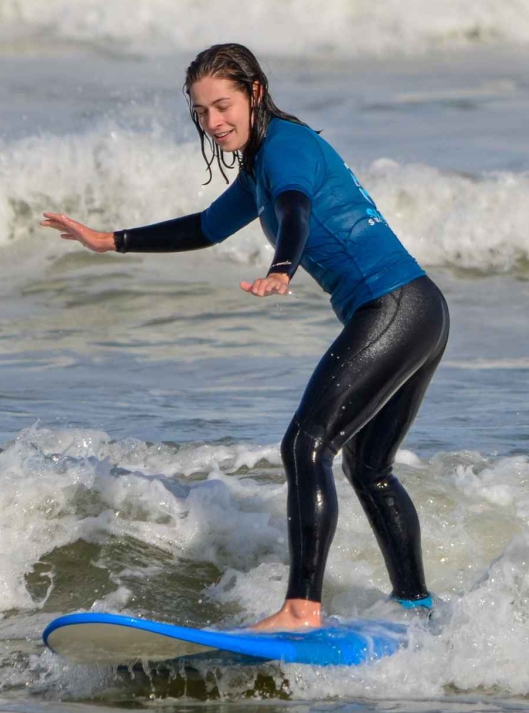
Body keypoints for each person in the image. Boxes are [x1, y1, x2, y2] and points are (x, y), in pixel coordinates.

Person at [40, 43, 449, 631]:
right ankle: (418, 610)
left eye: (223, 105)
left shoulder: (285, 150)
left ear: (255, 92)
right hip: (420, 311)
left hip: (394, 307)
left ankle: (301, 610)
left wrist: (283, 266)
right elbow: (206, 227)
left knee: (306, 446)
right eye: (201, 112)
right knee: (368, 467)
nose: (213, 122)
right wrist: (108, 240)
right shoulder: (262, 164)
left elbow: (296, 209)